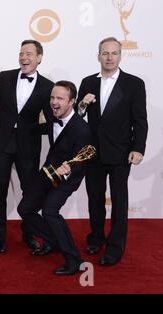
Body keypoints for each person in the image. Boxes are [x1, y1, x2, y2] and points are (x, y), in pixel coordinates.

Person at [77, 37, 148, 266]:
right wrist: (81, 105)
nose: (109, 57)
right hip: (93, 152)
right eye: (105, 53)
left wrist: (138, 148)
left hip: (120, 153)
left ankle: (115, 247)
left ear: (120, 56)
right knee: (95, 199)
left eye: (114, 53)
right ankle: (96, 238)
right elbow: (76, 119)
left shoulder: (134, 84)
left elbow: (140, 121)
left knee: (119, 202)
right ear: (98, 55)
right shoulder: (87, 81)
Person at [17, 80, 93, 275]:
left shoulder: (82, 129)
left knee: (50, 212)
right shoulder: (52, 116)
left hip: (69, 176)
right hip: (50, 170)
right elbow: (40, 129)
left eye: (60, 98)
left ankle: (74, 260)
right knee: (25, 209)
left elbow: (83, 159)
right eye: (52, 97)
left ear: (72, 102)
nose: (54, 101)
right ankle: (54, 241)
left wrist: (68, 169)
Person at [0, 40, 54, 253]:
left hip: (28, 146)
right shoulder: (5, 76)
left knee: (29, 192)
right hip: (2, 143)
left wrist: (35, 130)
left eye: (28, 54)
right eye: (20, 53)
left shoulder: (47, 86)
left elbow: (52, 120)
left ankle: (29, 234)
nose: (23, 57)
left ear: (39, 58)